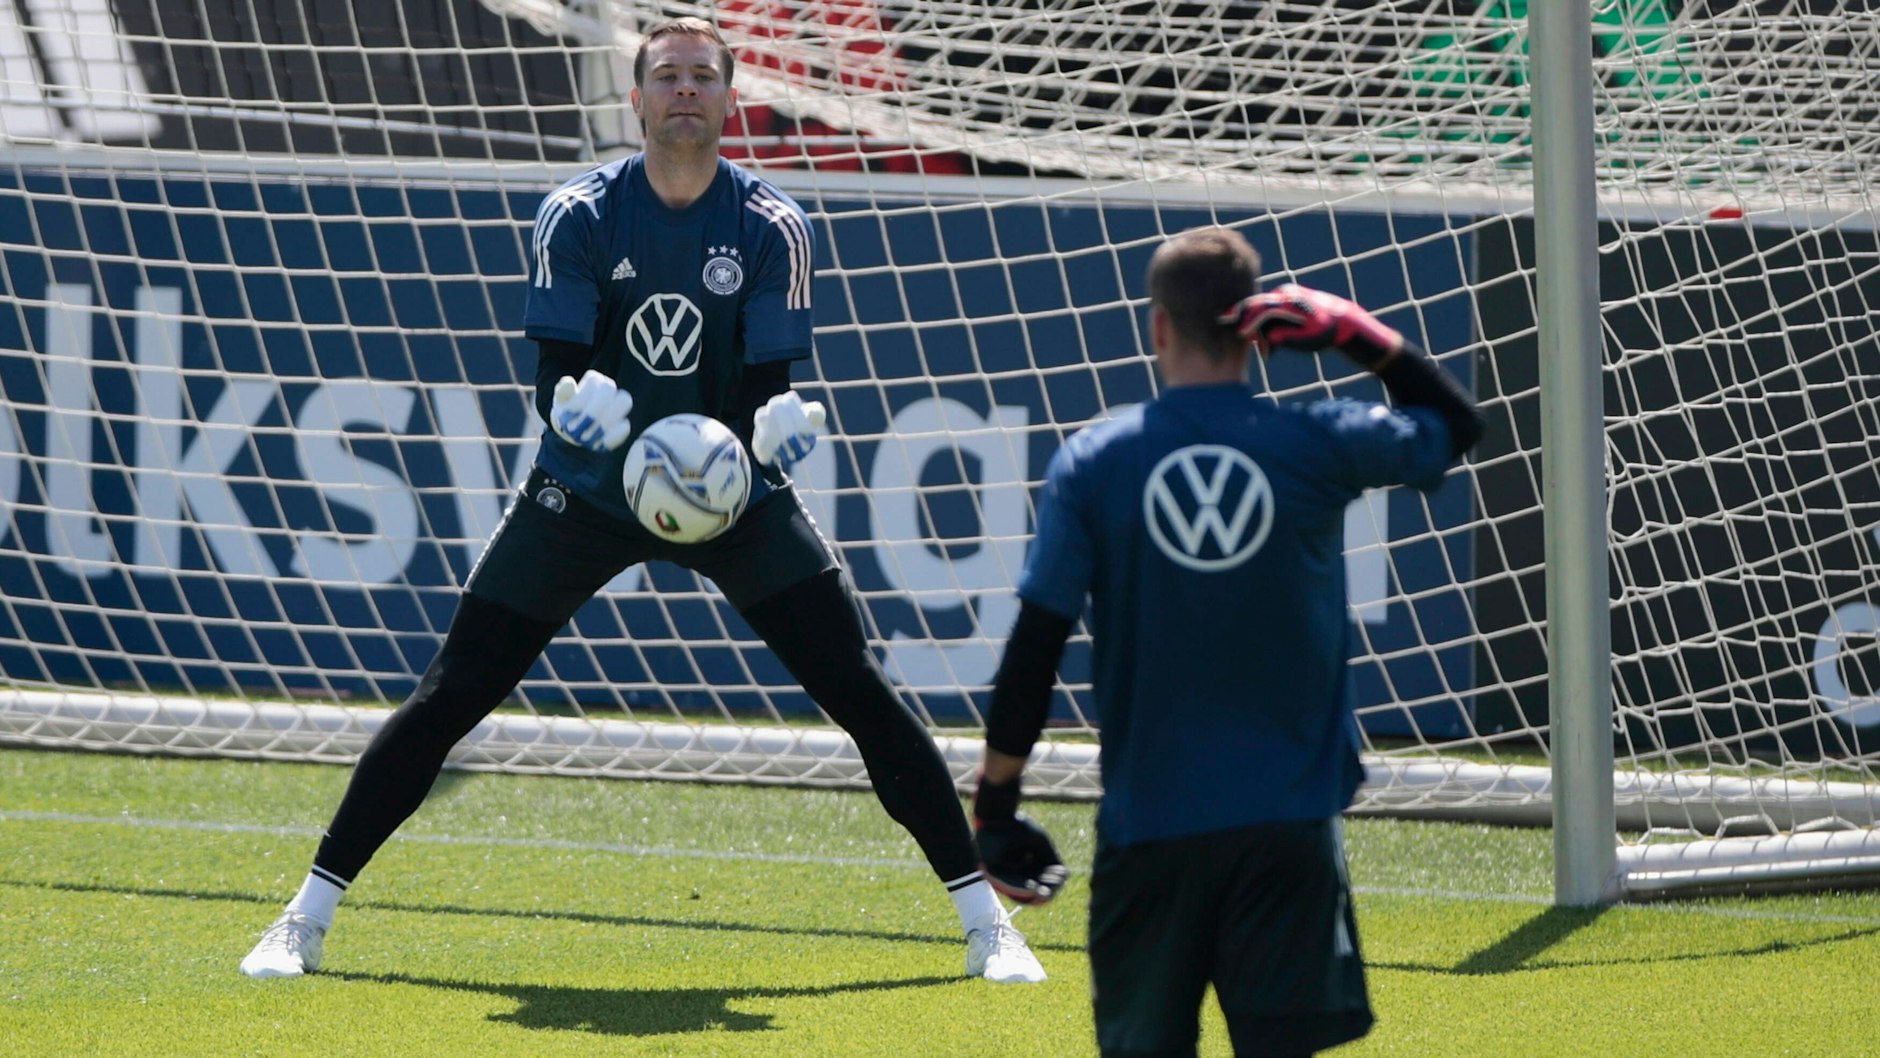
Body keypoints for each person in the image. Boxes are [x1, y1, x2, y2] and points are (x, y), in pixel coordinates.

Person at [241, 17, 1044, 985]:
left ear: (730, 95)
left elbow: (763, 384)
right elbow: (555, 372)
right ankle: (304, 915)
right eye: (667, 76)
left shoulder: (771, 225)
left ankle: (986, 926)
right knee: (454, 689)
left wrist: (774, 425)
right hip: (583, 492)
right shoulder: (577, 212)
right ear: (638, 98)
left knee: (856, 688)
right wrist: (571, 412)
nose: (685, 91)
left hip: (732, 493)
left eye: (702, 76)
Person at [971, 226, 1485, 1056]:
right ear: (1259, 331)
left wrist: (995, 803)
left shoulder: (1095, 461)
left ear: (1158, 327)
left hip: (1151, 832)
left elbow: (1037, 642)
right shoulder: (1315, 442)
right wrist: (1358, 333)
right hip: (1289, 831)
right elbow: (1457, 424)